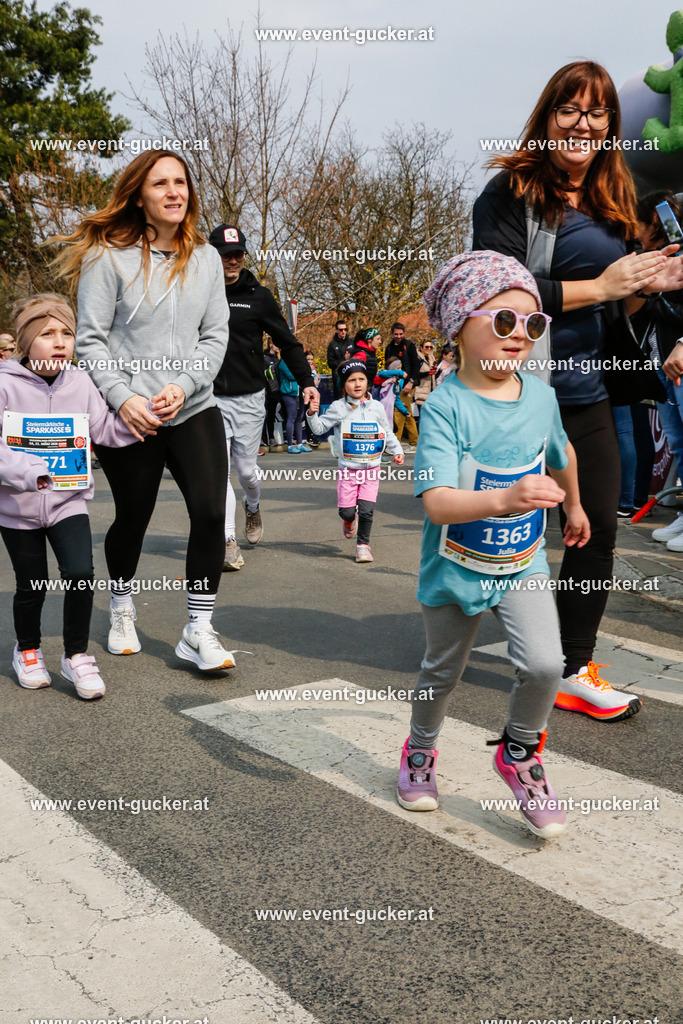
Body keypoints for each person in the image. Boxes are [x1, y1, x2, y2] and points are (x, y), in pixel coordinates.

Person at [472, 61, 683, 719]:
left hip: (588, 392)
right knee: (501, 534)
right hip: (516, 389)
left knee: (593, 534)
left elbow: (624, 298)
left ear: (608, 126)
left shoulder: (612, 198)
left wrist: (650, 298)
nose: (582, 124)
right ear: (547, 117)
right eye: (570, 110)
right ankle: (466, 637)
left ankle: (568, 665)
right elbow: (499, 296)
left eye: (595, 113)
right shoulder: (507, 194)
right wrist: (604, 287)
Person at [397, 251, 591, 838]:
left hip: (522, 560)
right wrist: (505, 500)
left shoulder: (539, 396)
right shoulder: (446, 408)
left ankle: (521, 754)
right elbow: (436, 503)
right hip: (455, 567)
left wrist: (575, 504)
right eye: (504, 321)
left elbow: (563, 452)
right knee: (442, 672)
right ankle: (420, 750)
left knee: (544, 664)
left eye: (533, 325)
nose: (520, 337)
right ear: (461, 324)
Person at [56, 150, 236, 672]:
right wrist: (124, 398)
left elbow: (214, 335)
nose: (174, 192)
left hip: (192, 406)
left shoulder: (204, 258)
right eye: (161, 184)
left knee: (209, 511)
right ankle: (120, 606)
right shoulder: (107, 257)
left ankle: (197, 629)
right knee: (133, 517)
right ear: (140, 195)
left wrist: (183, 384)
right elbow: (89, 342)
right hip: (131, 413)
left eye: (181, 182)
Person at [0, 296, 135, 698]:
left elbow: (105, 430)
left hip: (67, 503)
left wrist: (144, 419)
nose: (59, 341)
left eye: (67, 333)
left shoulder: (81, 381)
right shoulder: (4, 383)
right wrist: (29, 472)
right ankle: (27, 651)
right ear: (25, 342)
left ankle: (76, 656)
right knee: (32, 584)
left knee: (79, 575)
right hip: (17, 508)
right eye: (47, 334)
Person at [208, 225, 317, 568]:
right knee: (218, 472)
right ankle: (228, 541)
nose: (233, 259)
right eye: (226, 254)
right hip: (210, 398)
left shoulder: (259, 296)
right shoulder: (199, 292)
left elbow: (288, 341)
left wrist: (306, 381)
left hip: (250, 398)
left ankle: (252, 506)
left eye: (238, 253)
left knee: (247, 472)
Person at [307, 359, 404, 563]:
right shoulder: (337, 408)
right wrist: (311, 414)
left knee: (367, 511)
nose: (358, 384)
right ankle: (349, 521)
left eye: (361, 379)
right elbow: (318, 429)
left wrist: (397, 450)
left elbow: (387, 432)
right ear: (344, 385)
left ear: (367, 382)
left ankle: (363, 546)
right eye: (352, 380)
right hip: (348, 470)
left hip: (372, 469)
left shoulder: (376, 407)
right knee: (347, 511)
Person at [631, 191, 683, 549]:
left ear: (655, 220)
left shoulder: (677, 254)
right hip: (661, 368)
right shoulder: (647, 259)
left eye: (637, 221)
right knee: (679, 444)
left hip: (679, 361)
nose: (633, 230)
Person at [279, 357, 309, 453]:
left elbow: (305, 370)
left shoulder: (295, 360)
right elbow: (291, 376)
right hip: (288, 392)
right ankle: (290, 446)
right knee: (291, 417)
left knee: (299, 418)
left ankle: (299, 444)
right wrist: (301, 373)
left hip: (299, 392)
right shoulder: (283, 362)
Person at [327, 320, 349, 399]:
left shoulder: (351, 342)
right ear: (336, 330)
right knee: (340, 398)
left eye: (345, 329)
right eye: (341, 330)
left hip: (350, 374)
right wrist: (344, 360)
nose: (343, 331)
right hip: (338, 376)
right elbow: (330, 363)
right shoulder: (332, 345)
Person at [414, 340, 438, 410]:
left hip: (431, 392)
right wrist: (428, 373)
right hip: (421, 392)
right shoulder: (418, 359)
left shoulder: (432, 358)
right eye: (426, 347)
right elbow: (415, 374)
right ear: (421, 348)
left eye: (431, 347)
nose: (429, 349)